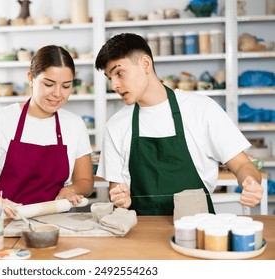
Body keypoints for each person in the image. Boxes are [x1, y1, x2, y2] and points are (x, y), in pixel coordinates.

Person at [94, 33, 263, 215]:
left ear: (145, 64)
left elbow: (243, 166)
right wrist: (120, 197)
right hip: (141, 230)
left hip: (199, 227)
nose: (114, 85)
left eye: (119, 73)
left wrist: (251, 183)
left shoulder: (201, 109)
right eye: (109, 78)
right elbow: (117, 188)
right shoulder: (116, 125)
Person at [0, 45, 94, 215]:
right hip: (6, 222)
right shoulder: (1, 120)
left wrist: (72, 189)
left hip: (56, 225)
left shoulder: (75, 125)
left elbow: (85, 181)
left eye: (66, 86)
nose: (58, 93)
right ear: (31, 78)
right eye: (49, 84)